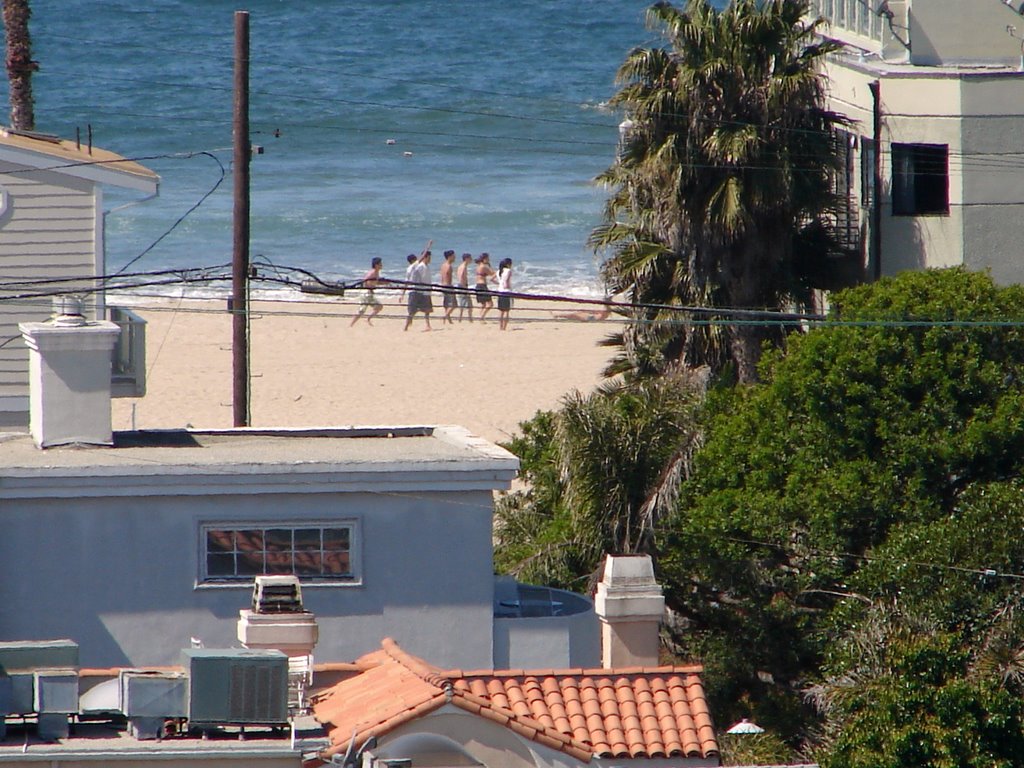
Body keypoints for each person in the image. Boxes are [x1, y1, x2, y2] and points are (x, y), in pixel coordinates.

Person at [349, 257, 386, 326]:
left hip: (370, 293)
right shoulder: (372, 273)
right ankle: (351, 324)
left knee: (379, 307)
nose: (381, 265)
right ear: (376, 265)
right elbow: (367, 282)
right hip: (366, 293)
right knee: (361, 311)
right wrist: (370, 289)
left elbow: (375, 282)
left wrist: (384, 283)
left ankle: (368, 319)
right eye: (380, 264)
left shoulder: (376, 272)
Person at [404, 250, 433, 331]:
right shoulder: (419, 266)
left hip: (426, 290)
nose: (430, 259)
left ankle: (428, 325)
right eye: (429, 257)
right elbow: (412, 279)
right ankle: (406, 325)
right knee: (413, 310)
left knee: (427, 310)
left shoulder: (427, 266)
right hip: (419, 291)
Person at [474, 253, 496, 322]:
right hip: (482, 285)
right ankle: (482, 317)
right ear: (484, 259)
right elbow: (492, 273)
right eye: (488, 259)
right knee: (490, 304)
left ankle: (481, 318)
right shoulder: (484, 266)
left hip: (478, 285)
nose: (489, 260)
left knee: (483, 304)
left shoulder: (478, 266)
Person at [495, 257, 513, 330]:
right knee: (506, 311)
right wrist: (507, 286)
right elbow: (507, 281)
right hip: (506, 291)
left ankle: (500, 327)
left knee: (501, 311)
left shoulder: (499, 271)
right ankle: (504, 327)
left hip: (500, 291)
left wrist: (499, 283)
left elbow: (492, 279)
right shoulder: (508, 271)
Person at [439, 249, 457, 325]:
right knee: (453, 304)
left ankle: (449, 319)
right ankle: (445, 316)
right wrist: (451, 286)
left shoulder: (443, 265)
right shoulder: (449, 266)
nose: (455, 257)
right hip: (448, 285)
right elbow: (448, 277)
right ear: (449, 257)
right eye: (453, 256)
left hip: (443, 285)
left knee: (447, 303)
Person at [456, 253, 474, 322]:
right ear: (466, 259)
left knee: (463, 303)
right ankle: (469, 319)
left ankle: (462, 318)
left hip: (461, 285)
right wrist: (465, 288)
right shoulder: (463, 267)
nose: (471, 260)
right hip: (462, 286)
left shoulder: (462, 266)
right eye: (470, 258)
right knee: (468, 303)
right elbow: (461, 278)